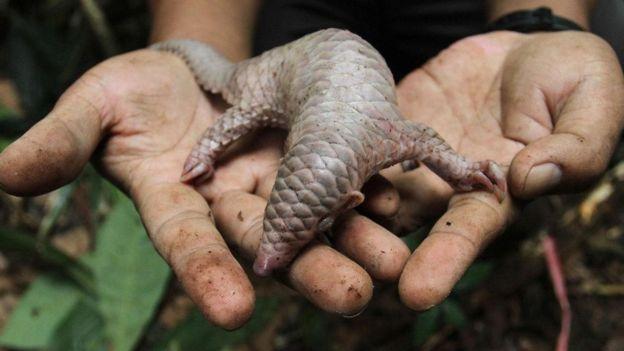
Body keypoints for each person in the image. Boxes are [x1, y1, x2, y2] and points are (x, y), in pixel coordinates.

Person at [0, 0, 622, 330]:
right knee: (244, 100)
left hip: (376, 53)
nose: (269, 258)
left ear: (349, 199)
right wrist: (209, 141)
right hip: (290, 61)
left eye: (287, 236)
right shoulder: (379, 136)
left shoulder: (383, 138)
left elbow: (430, 140)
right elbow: (426, 142)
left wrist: (539, 21)